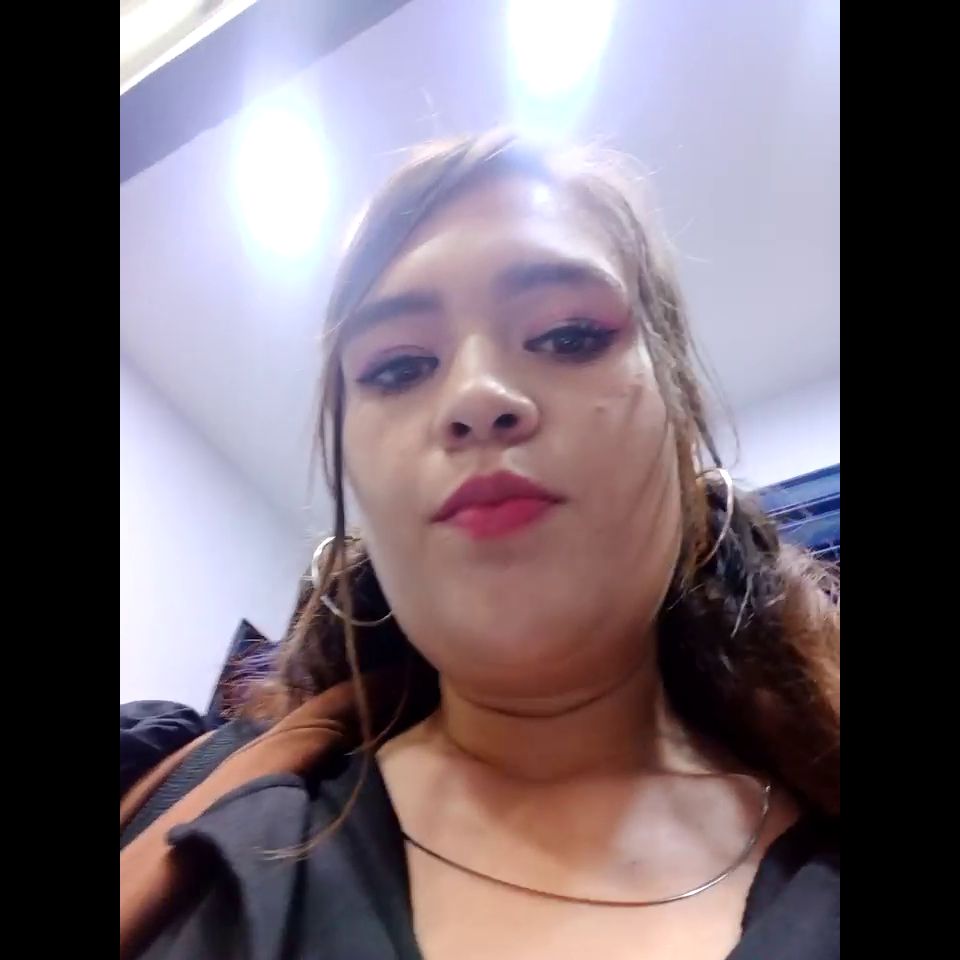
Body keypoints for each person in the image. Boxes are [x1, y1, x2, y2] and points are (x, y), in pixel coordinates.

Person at [120, 130, 839, 960]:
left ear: (679, 418)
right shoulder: (169, 795)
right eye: (397, 368)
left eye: (568, 334)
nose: (475, 395)